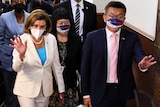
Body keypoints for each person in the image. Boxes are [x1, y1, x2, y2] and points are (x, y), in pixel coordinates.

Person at [80, 1, 157, 107]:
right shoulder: (92, 37)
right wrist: (85, 94)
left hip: (120, 91)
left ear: (124, 19)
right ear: (104, 17)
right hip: (98, 89)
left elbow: (140, 55)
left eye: (119, 16)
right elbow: (85, 67)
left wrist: (142, 65)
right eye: (111, 16)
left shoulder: (131, 37)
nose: (115, 19)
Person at [10, 9, 65, 107]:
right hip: (26, 89)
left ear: (46, 27)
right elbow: (16, 68)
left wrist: (61, 89)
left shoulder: (51, 39)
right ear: (29, 26)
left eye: (42, 26)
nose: (38, 29)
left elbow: (56, 66)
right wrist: (21, 55)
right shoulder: (22, 39)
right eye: (35, 26)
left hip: (45, 89)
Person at [49, 7, 81, 107]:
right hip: (52, 84)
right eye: (61, 23)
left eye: (66, 23)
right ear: (55, 24)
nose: (64, 26)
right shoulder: (49, 38)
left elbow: (80, 62)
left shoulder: (76, 39)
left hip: (70, 83)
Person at [0, 0, 29, 106]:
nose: (19, 2)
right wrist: (2, 58)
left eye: (21, 0)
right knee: (10, 92)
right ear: (12, 3)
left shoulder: (30, 17)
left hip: (25, 59)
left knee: (24, 91)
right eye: (16, 0)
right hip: (7, 60)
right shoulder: (4, 17)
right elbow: (0, 38)